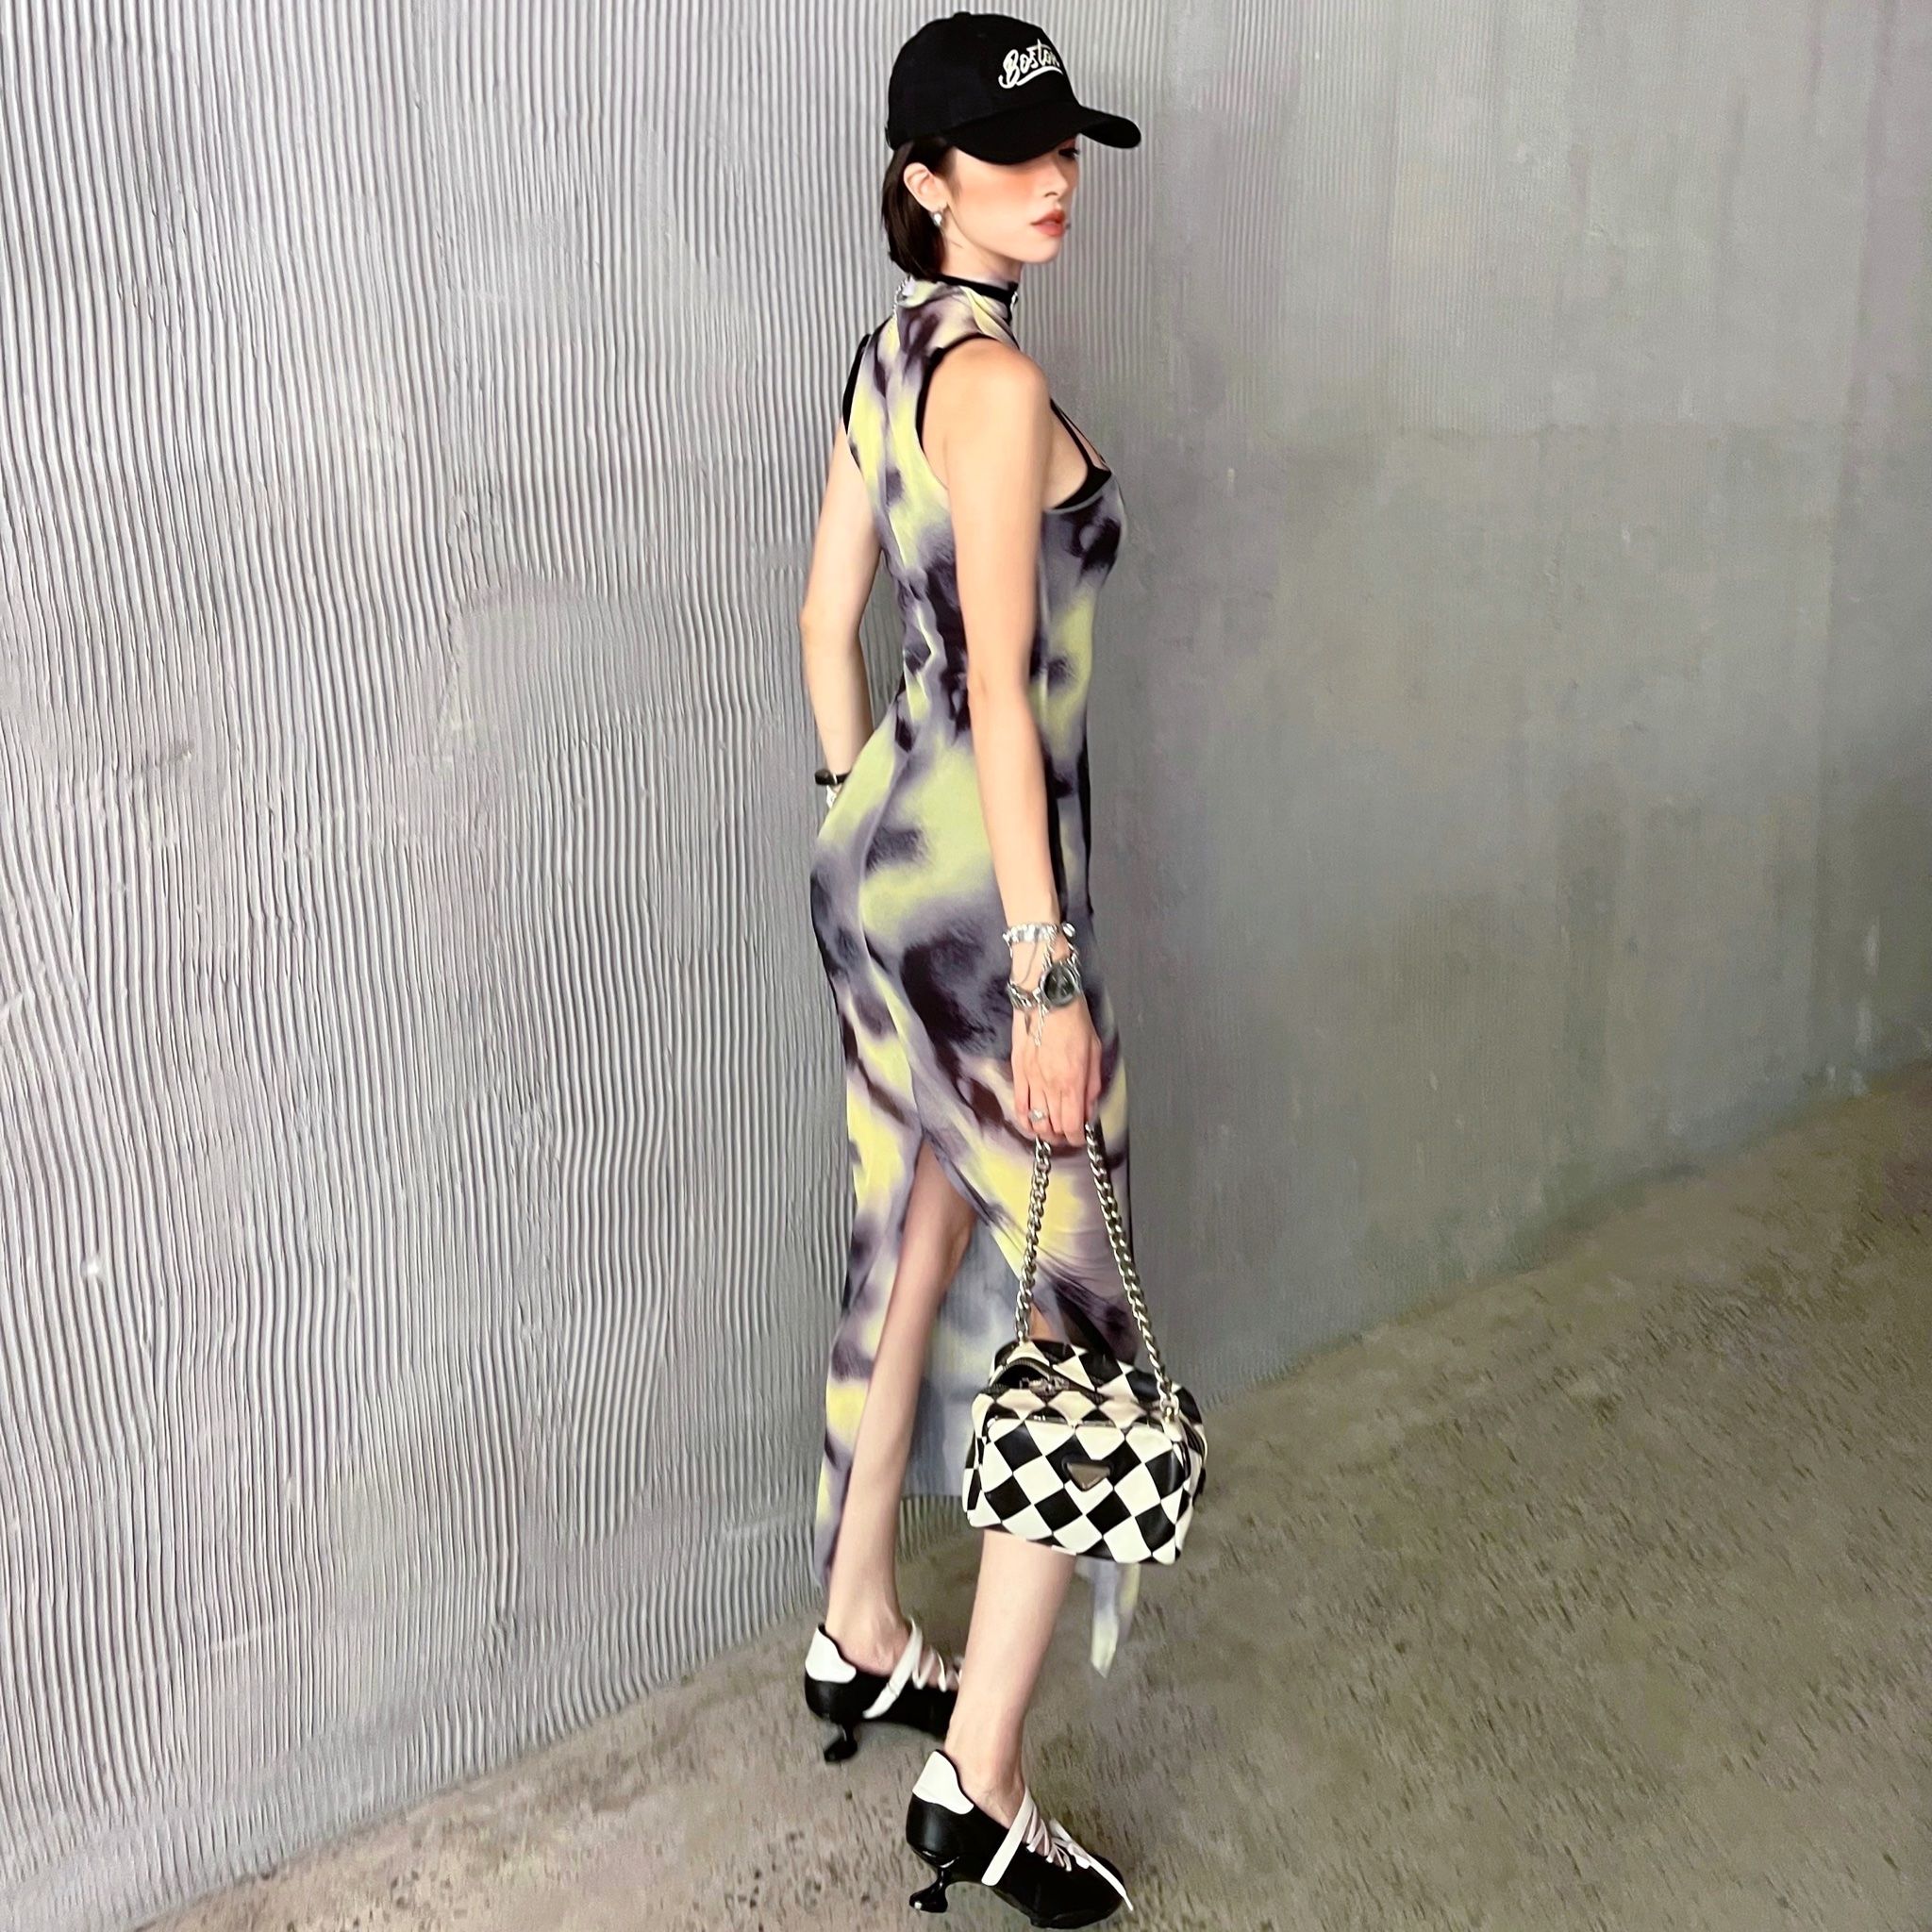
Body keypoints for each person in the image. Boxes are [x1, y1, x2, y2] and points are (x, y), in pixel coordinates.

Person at [796, 12, 1145, 1924]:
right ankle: (983, 1778)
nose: (1054, 175)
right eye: (1014, 153)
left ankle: (857, 1621)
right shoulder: (995, 384)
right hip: (978, 916)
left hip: (877, 865)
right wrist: (1039, 973)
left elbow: (821, 624)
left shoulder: (887, 359)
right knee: (1075, 1312)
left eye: (1065, 144)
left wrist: (860, 814)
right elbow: (1004, 694)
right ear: (927, 181)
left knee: (917, 1226)